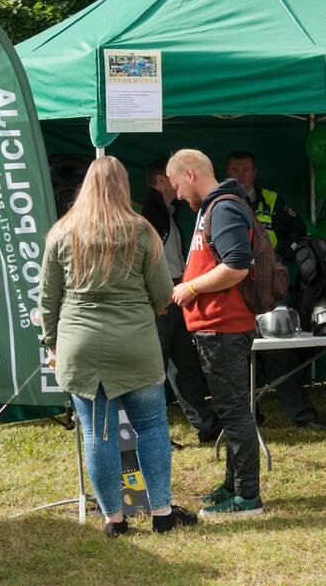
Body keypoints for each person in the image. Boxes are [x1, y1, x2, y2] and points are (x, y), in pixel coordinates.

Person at [40, 156, 197, 537]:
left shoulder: (62, 232)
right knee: (153, 428)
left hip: (81, 348)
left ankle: (115, 519)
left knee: (98, 434)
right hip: (136, 346)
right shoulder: (141, 230)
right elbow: (163, 295)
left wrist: (51, 343)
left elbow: (49, 300)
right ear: (124, 187)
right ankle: (161, 512)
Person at [167, 149, 264, 518]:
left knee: (236, 412)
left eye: (177, 184)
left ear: (190, 174)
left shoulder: (222, 208)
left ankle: (248, 497)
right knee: (229, 411)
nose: (177, 194)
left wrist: (190, 289)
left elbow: (236, 266)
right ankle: (232, 486)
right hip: (216, 326)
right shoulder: (213, 208)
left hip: (224, 326)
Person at [225, 150, 325, 430]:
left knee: (278, 351)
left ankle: (302, 416)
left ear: (254, 172)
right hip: (232, 288)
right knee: (238, 356)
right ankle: (248, 416)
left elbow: (298, 234)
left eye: (245, 170)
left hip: (269, 290)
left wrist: (274, 255)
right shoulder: (221, 202)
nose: (239, 175)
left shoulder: (271, 200)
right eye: (234, 170)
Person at [142, 159, 220, 444]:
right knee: (158, 367)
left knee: (183, 363)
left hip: (175, 292)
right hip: (162, 296)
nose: (178, 186)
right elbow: (148, 258)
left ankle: (207, 424)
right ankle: (154, 433)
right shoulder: (152, 212)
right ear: (161, 181)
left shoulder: (165, 211)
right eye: (172, 180)